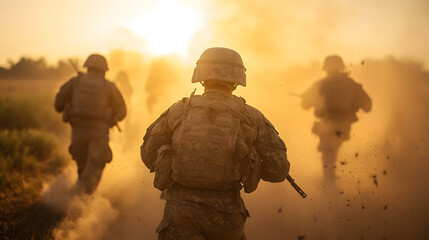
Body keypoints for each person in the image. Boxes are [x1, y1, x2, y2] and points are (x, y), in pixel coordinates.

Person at [140, 47, 291, 240]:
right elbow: (278, 171)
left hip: (181, 213)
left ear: (201, 76)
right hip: (227, 218)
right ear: (237, 79)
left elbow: (148, 156)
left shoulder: (178, 110)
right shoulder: (252, 117)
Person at [54, 53, 126, 194]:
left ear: (87, 67)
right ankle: (83, 203)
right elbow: (123, 111)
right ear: (104, 70)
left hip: (78, 132)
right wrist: (111, 120)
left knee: (82, 166)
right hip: (100, 132)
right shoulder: (108, 87)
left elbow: (58, 105)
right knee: (95, 167)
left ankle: (77, 198)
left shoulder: (75, 82)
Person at [301, 55, 371, 184]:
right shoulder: (351, 84)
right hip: (344, 127)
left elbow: (305, 104)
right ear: (341, 67)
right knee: (332, 152)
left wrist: (316, 101)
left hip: (327, 125)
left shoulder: (320, 84)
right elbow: (368, 106)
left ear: (325, 68)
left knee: (328, 154)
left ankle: (329, 184)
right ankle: (331, 180)